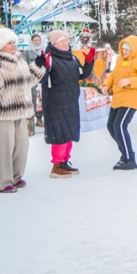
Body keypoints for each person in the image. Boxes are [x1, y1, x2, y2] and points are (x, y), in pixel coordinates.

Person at [0, 28, 44, 193]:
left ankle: (16, 176)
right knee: (4, 147)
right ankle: (3, 181)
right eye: (9, 43)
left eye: (14, 42)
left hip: (20, 109)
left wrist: (37, 66)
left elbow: (28, 81)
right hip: (1, 111)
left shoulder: (19, 60)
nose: (13, 45)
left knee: (22, 145)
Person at [40, 30, 96, 178]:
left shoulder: (72, 58)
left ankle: (65, 161)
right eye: (61, 41)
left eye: (66, 40)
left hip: (71, 101)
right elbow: (41, 79)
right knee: (59, 134)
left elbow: (81, 75)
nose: (65, 43)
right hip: (55, 103)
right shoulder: (50, 58)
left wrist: (89, 62)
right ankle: (56, 165)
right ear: (53, 43)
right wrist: (43, 66)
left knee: (69, 133)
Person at [101, 36, 137, 170]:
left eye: (127, 49)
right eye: (123, 49)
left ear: (134, 49)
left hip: (131, 97)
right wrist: (106, 85)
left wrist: (130, 81)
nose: (124, 52)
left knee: (120, 125)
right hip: (118, 97)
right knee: (111, 126)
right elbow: (113, 75)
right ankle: (125, 153)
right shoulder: (120, 60)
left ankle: (129, 158)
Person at [22, 33, 44, 129]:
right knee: (34, 98)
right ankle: (32, 118)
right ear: (32, 41)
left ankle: (40, 118)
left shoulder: (44, 50)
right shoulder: (27, 51)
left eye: (38, 40)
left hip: (43, 77)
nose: (37, 42)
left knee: (42, 99)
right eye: (35, 40)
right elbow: (24, 64)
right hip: (32, 78)